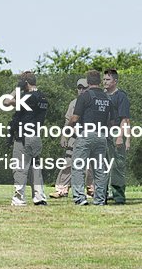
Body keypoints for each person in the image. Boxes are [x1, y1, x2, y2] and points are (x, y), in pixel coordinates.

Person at [68, 69, 114, 205]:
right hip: (101, 136)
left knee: (78, 167)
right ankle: (100, 199)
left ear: (88, 82)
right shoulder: (107, 98)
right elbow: (111, 122)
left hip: (86, 135)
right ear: (100, 81)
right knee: (99, 169)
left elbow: (75, 118)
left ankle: (79, 198)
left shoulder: (84, 96)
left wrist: (67, 129)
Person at [9, 71, 49, 206]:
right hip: (36, 136)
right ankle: (40, 197)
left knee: (20, 168)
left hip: (24, 136)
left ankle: (19, 198)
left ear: (25, 83)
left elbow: (6, 102)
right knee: (35, 168)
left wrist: (16, 89)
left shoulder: (28, 97)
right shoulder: (42, 97)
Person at [51, 78, 88, 198]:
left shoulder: (92, 101)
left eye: (84, 88)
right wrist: (64, 135)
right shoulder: (73, 103)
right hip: (73, 137)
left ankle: (91, 189)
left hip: (88, 136)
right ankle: (62, 189)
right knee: (67, 163)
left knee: (89, 166)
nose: (81, 90)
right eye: (79, 88)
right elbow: (68, 121)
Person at [103, 69, 131, 205]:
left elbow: (125, 119)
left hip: (116, 132)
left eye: (108, 80)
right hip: (103, 133)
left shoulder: (121, 96)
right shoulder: (101, 96)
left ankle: (119, 196)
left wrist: (120, 136)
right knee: (103, 166)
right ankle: (103, 195)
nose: (105, 82)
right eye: (104, 79)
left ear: (115, 81)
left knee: (118, 166)